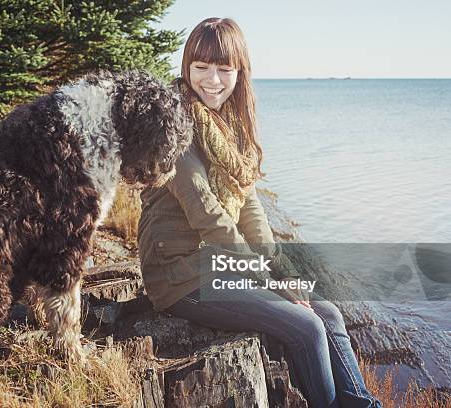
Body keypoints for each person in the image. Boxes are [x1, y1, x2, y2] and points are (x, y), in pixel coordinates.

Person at [137, 17, 381, 408]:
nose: (212, 80)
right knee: (306, 328)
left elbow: (249, 205)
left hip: (218, 264)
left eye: (223, 68)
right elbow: (207, 213)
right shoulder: (173, 123)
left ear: (240, 70)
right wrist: (266, 279)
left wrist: (281, 270)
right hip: (180, 274)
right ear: (187, 68)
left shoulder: (230, 125)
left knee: (328, 313)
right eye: (200, 68)